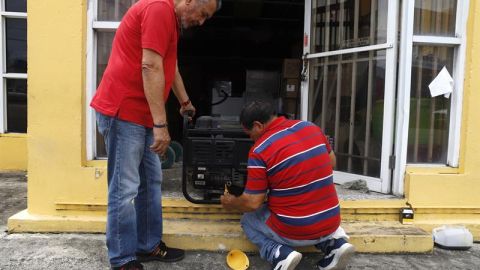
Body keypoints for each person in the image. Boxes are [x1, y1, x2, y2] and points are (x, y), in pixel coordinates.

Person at [90, 0, 221, 269]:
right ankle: (122, 258)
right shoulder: (158, 9)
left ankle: (147, 245)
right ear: (189, 1)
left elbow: (168, 66)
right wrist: (161, 126)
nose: (201, 21)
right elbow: (150, 66)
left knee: (150, 181)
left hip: (142, 115)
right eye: (202, 14)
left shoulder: (171, 20)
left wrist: (184, 102)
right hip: (124, 111)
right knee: (124, 189)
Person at [221, 101, 355, 270]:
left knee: (248, 220)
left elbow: (252, 203)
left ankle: (279, 253)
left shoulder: (260, 150)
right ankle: (334, 245)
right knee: (312, 210)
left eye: (249, 133)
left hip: (294, 230)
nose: (250, 138)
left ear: (258, 125)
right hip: (332, 221)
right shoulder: (311, 127)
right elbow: (331, 162)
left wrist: (231, 202)